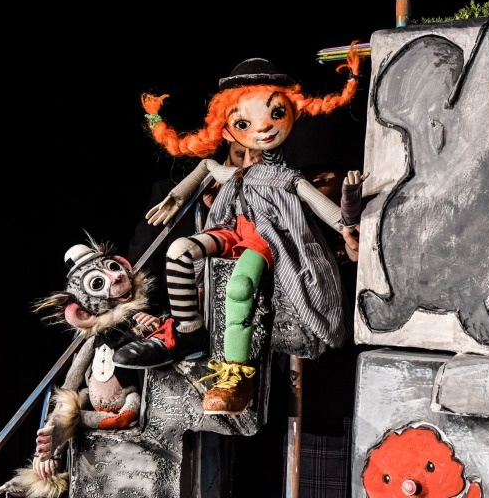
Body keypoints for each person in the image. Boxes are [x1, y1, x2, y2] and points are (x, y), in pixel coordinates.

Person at [113, 44, 367, 415]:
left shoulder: (286, 178)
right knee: (179, 251)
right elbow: (205, 168)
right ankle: (188, 333)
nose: (261, 127)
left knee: (239, 287)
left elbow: (324, 209)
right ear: (227, 130)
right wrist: (177, 196)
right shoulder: (231, 174)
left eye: (275, 114)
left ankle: (235, 376)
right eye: (244, 123)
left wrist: (347, 224)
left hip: (261, 242)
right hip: (230, 233)